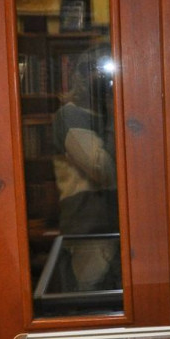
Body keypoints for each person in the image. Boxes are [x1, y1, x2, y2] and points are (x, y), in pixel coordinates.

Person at [50, 45, 119, 292]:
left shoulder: (108, 113)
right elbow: (103, 170)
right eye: (91, 71)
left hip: (119, 223)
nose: (99, 81)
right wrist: (114, 113)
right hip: (90, 229)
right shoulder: (70, 116)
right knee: (93, 299)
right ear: (78, 76)